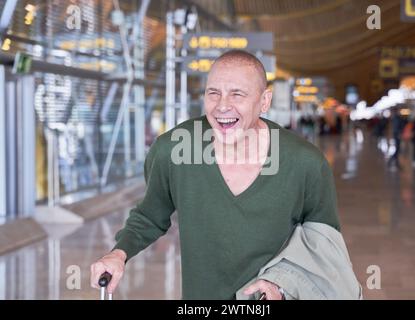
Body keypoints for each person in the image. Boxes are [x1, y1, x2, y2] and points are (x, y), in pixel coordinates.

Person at [90, 50, 358, 300]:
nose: (222, 106)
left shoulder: (305, 163)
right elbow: (150, 215)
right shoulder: (173, 150)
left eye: (237, 95)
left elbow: (324, 245)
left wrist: (282, 284)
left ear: (264, 100)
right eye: (213, 93)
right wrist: (118, 253)